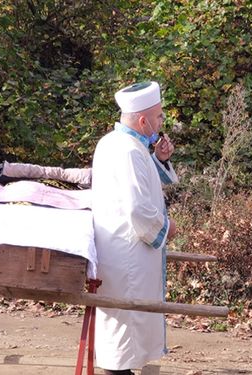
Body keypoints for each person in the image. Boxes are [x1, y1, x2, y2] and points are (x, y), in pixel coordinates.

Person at [92, 81, 178, 375]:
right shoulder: (128, 150)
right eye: (158, 118)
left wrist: (160, 160)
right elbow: (137, 208)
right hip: (127, 252)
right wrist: (167, 228)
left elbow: (141, 184)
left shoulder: (116, 143)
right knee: (126, 322)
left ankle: (121, 368)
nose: (161, 123)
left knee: (127, 320)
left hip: (120, 249)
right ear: (143, 120)